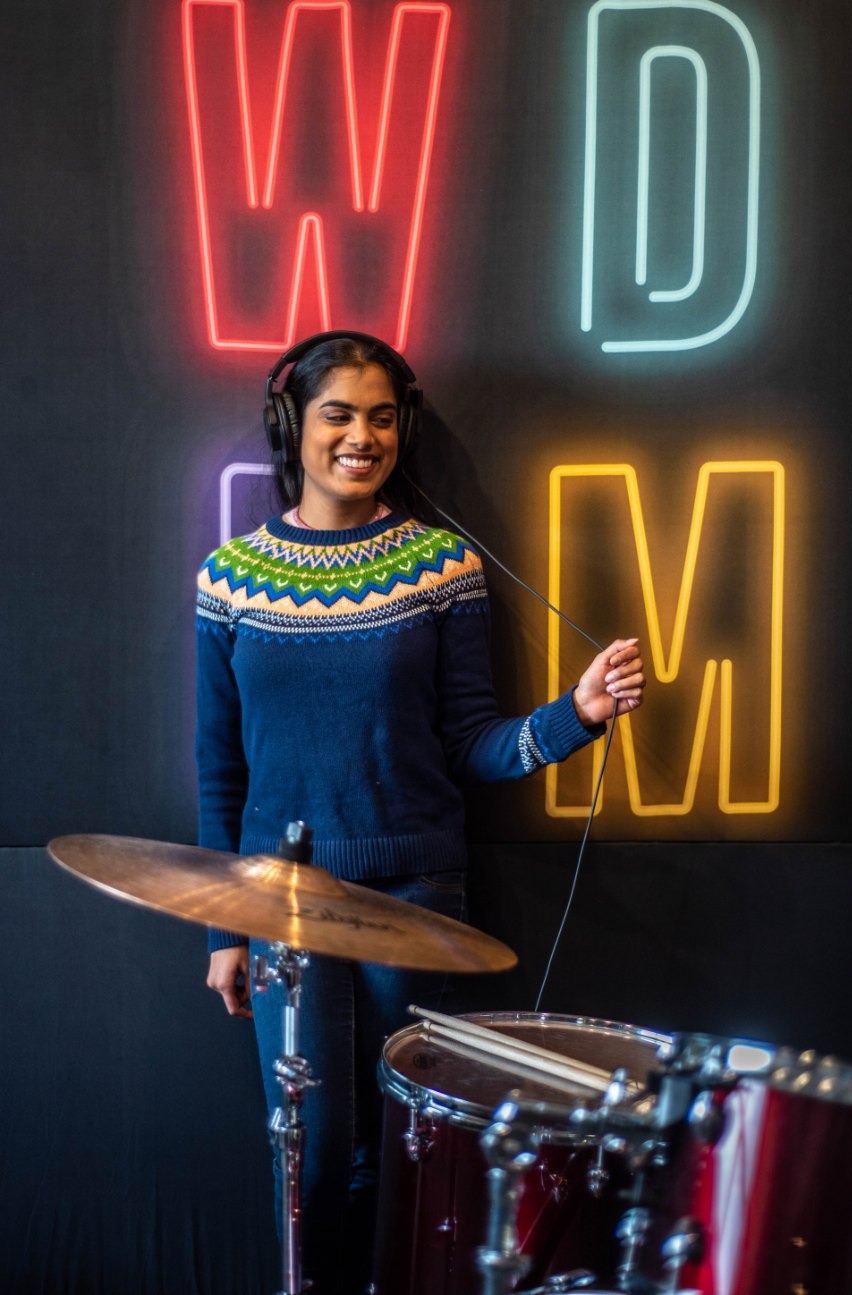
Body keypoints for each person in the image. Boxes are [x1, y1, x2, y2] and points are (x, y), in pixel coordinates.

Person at [196, 331, 645, 1294]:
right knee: (309, 1165)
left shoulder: (442, 568)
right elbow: (218, 767)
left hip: (419, 896)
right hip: (283, 910)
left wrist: (578, 716)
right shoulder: (227, 577)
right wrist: (220, 928)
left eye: (382, 416)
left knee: (411, 1158)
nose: (363, 436)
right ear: (291, 422)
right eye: (338, 413)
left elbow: (470, 743)